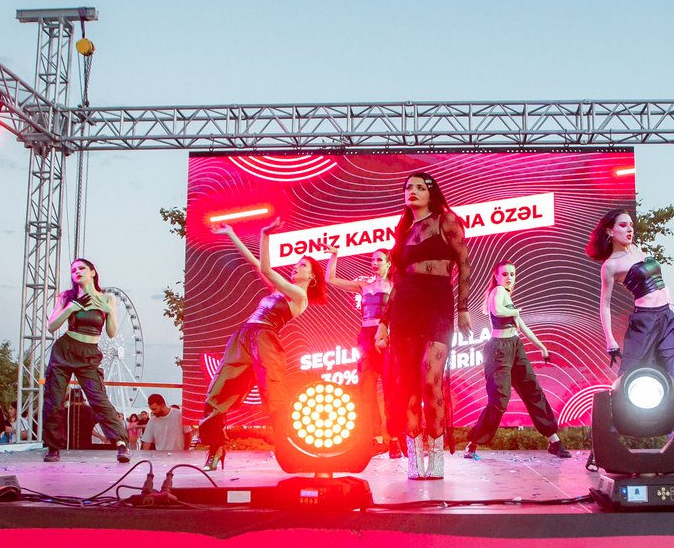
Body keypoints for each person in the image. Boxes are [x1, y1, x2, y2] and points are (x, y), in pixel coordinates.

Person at [197, 220, 326, 471]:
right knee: (217, 393)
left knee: (275, 396)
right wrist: (231, 234)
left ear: (311, 277)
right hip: (244, 337)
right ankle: (215, 448)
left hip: (266, 340)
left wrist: (265, 235)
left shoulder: (300, 297)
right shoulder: (278, 290)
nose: (296, 266)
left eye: (303, 265)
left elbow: (266, 269)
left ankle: (290, 450)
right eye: (297, 263)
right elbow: (257, 264)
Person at [376, 171, 472, 481]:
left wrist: (463, 308)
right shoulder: (403, 231)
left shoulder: (447, 221)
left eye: (420, 187)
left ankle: (436, 455)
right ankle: (414, 457)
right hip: (405, 308)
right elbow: (397, 282)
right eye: (408, 187)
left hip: (437, 304)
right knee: (407, 384)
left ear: (431, 193)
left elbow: (464, 263)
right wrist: (383, 324)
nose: (412, 191)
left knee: (431, 380)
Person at [463, 261, 571, 459]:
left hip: (514, 345)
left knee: (532, 390)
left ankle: (554, 440)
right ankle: (473, 443)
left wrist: (542, 347)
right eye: (505, 274)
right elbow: (498, 311)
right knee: (499, 400)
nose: (509, 278)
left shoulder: (507, 295)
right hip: (499, 350)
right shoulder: (497, 291)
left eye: (512, 274)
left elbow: (522, 326)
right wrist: (515, 311)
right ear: (496, 276)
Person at [41, 257, 130, 464]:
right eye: (73, 270)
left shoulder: (106, 299)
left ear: (92, 272)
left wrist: (110, 312)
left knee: (98, 399)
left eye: (81, 268)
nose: (77, 272)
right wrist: (70, 309)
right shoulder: (66, 297)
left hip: (89, 353)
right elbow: (51, 326)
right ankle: (53, 448)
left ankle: (121, 443)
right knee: (54, 401)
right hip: (65, 350)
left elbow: (112, 333)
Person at [588, 207, 674, 386]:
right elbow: (605, 304)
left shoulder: (637, 249)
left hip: (667, 317)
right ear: (610, 231)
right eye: (623, 225)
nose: (629, 229)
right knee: (631, 373)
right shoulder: (611, 265)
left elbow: (661, 282)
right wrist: (610, 340)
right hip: (645, 321)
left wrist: (670, 304)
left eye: (631, 225)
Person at [326, 247, 404, 458]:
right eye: (372, 260)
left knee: (390, 391)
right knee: (366, 390)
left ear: (388, 263)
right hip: (366, 339)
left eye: (379, 260)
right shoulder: (364, 286)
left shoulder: (394, 286)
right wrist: (334, 255)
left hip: (386, 338)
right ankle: (376, 438)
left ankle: (394, 440)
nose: (375, 263)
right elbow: (330, 279)